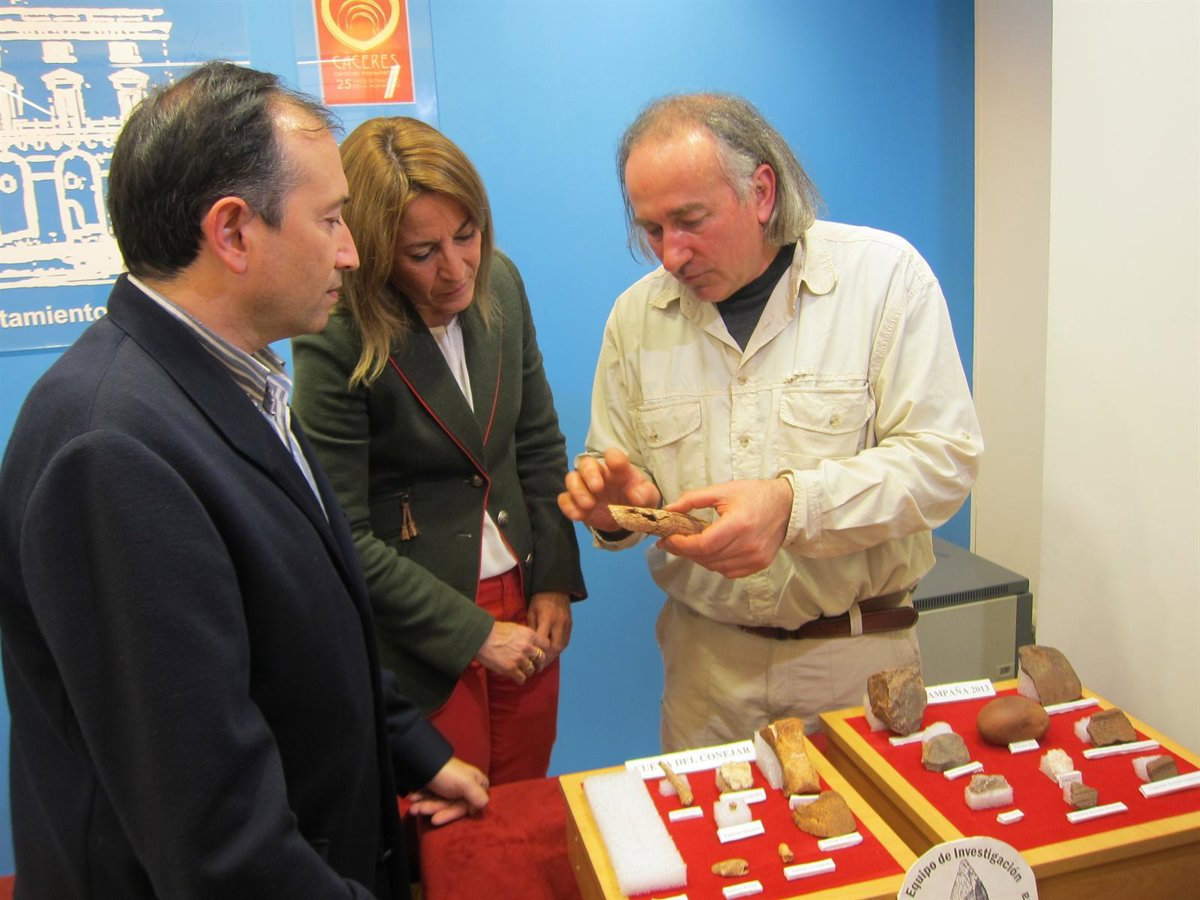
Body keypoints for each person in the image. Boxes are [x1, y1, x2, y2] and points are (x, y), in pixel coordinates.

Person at [0, 62, 488, 899]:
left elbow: (303, 631)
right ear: (232, 232)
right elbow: (218, 841)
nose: (351, 251)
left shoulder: (232, 380)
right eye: (329, 219)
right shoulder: (112, 451)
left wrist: (413, 748)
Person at [559, 93, 983, 752]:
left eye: (689, 220)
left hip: (856, 662)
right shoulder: (636, 318)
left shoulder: (884, 281)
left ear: (761, 192)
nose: (670, 255)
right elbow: (622, 475)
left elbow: (944, 462)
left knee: (869, 823)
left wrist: (791, 506)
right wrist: (617, 511)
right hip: (705, 670)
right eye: (651, 229)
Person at [292, 117, 586, 785]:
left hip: (524, 594)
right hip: (417, 621)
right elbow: (341, 533)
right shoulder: (336, 331)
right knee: (453, 816)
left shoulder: (501, 283)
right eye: (423, 253)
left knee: (524, 798)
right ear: (373, 252)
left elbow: (538, 444)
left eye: (467, 235)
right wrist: (473, 633)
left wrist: (554, 579)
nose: (457, 270)